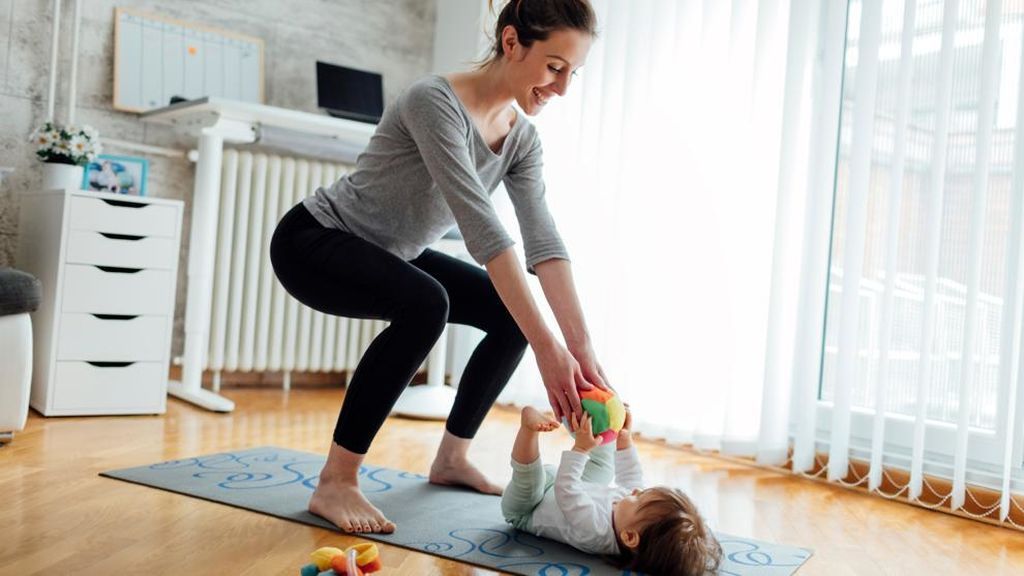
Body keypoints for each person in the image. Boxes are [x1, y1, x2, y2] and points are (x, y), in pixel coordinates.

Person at [270, 0, 606, 534]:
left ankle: (451, 458)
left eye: (573, 74)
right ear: (513, 42)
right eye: (554, 67)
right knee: (427, 303)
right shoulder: (435, 100)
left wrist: (580, 351)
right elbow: (482, 229)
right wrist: (549, 350)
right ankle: (336, 481)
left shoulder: (521, 139)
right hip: (315, 240)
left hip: (391, 250)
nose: (561, 88)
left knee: (507, 312)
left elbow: (542, 240)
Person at [501, 407, 723, 575]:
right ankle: (598, 421)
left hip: (529, 507)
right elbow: (631, 476)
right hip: (570, 486)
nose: (636, 491)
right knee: (605, 467)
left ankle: (528, 430)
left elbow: (566, 490)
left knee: (529, 480)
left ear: (629, 537)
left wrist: (580, 449)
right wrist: (623, 438)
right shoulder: (630, 514)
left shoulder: (595, 531)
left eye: (639, 498)